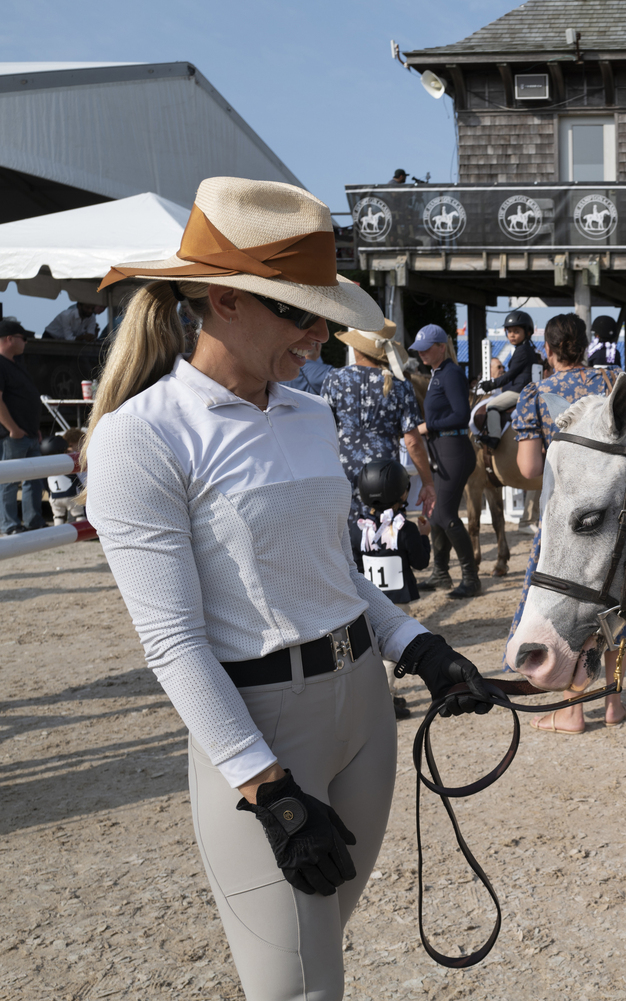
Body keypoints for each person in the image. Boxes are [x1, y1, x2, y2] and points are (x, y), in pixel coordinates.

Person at [84, 176, 493, 1001]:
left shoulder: (309, 413)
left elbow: (335, 576)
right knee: (302, 988)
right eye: (297, 313)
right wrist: (267, 787)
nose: (317, 335)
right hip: (263, 729)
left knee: (313, 957)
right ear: (220, 299)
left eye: (321, 314)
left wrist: (421, 647)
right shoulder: (144, 438)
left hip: (363, 711)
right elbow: (172, 640)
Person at [510, 313, 626, 732]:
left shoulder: (534, 393)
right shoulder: (612, 380)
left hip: (564, 517)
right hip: (614, 511)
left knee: (571, 608)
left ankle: (572, 710)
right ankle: (613, 702)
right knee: (615, 606)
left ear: (547, 349)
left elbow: (528, 468)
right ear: (585, 345)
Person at [320, 321, 436, 560]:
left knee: (348, 543)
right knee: (386, 540)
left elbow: (322, 431)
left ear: (357, 349)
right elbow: (413, 441)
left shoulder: (334, 379)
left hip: (342, 473)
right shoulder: (399, 385)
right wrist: (428, 483)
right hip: (384, 479)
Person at [355, 458, 432, 720]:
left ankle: (380, 692)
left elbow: (354, 566)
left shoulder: (359, 530)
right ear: (402, 492)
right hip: (397, 601)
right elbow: (421, 564)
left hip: (366, 598)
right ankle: (384, 700)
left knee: (371, 648)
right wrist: (424, 536)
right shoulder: (405, 529)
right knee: (389, 652)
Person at [410, 323, 483, 599]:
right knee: (435, 512)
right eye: (419, 350)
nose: (422, 354)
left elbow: (462, 415)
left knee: (446, 514)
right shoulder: (438, 373)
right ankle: (441, 573)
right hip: (443, 448)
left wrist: (429, 425)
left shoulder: (451, 373)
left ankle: (471, 578)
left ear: (442, 347)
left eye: (427, 349)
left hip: (454, 448)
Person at [0, 318, 46, 534]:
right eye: (23, 338)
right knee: (8, 482)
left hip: (27, 432)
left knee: (34, 479)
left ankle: (33, 521)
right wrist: (12, 429)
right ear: (9, 339)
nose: (26, 342)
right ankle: (9, 524)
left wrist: (33, 427)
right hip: (13, 435)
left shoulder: (16, 363)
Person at [41, 431, 86, 525]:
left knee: (58, 516)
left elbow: (44, 482)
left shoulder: (46, 464)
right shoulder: (67, 461)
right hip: (71, 494)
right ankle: (83, 530)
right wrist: (83, 489)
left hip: (54, 497)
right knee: (79, 514)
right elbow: (75, 479)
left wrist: (49, 492)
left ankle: (58, 535)